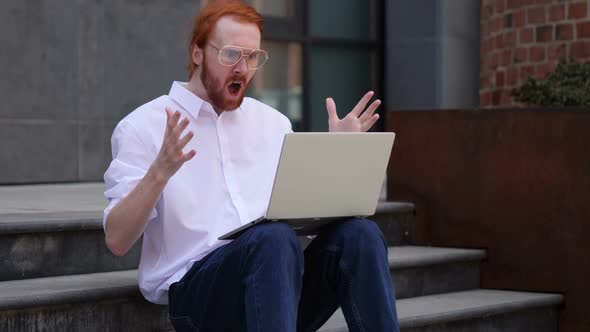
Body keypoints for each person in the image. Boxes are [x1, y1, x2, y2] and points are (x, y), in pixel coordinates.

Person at [103, 1, 399, 331]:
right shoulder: (144, 126)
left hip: (275, 288)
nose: (243, 68)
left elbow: (303, 213)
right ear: (197, 52)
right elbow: (117, 239)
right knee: (271, 239)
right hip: (199, 295)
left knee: (361, 235)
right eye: (231, 54)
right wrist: (160, 171)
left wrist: (335, 158)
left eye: (253, 56)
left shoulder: (274, 124)